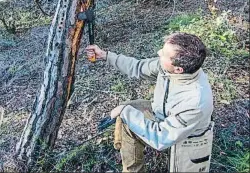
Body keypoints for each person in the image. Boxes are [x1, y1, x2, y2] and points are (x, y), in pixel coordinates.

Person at [86, 32, 214, 172]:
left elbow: (161, 138)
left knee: (128, 113)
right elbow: (138, 67)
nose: (159, 53)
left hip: (185, 140)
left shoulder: (195, 101)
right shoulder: (169, 67)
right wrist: (105, 55)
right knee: (128, 112)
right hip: (163, 118)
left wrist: (126, 113)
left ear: (178, 69)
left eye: (164, 53)